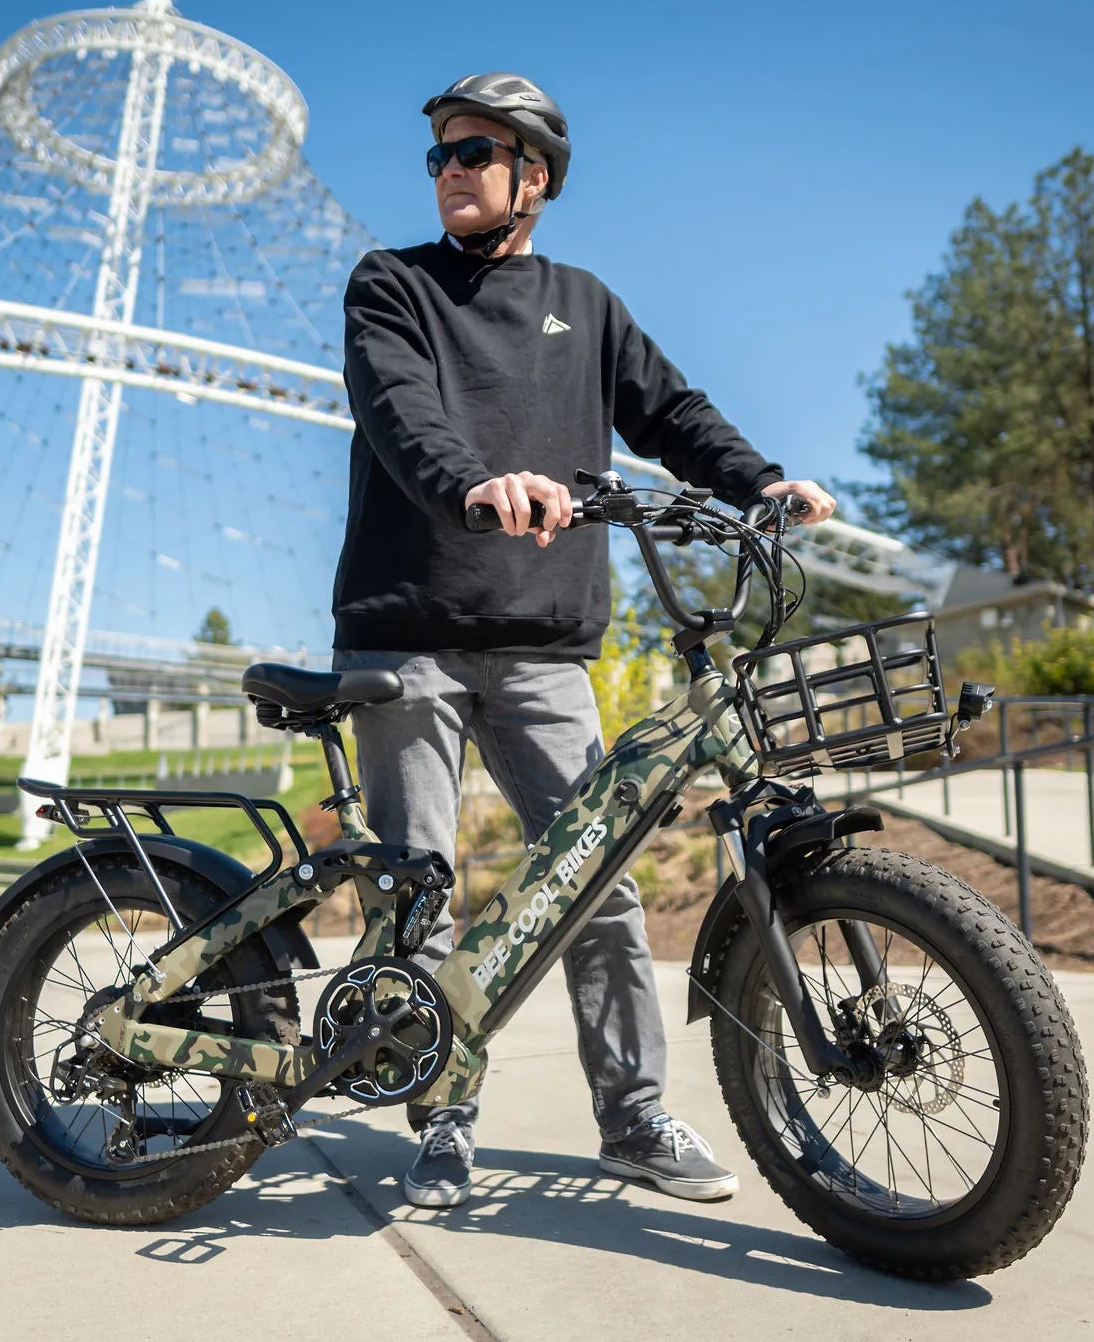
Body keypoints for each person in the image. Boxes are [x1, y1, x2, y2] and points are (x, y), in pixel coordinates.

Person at [333, 72, 837, 1209]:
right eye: (438, 156)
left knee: (596, 882)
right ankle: (440, 1114)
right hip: (406, 636)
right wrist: (475, 484)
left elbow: (668, 411)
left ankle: (635, 1119)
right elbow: (399, 408)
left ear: (535, 177)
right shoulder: (390, 285)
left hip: (543, 644)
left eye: (473, 151)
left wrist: (759, 481)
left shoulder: (584, 302)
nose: (449, 170)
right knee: (419, 887)